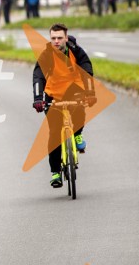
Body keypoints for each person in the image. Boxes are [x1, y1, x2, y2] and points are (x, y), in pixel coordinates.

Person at [32, 24, 96, 188]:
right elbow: (38, 75)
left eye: (60, 38)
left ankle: (77, 135)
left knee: (79, 110)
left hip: (73, 89)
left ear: (66, 38)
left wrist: (90, 93)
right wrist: (39, 98)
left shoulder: (76, 51)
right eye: (53, 38)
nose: (56, 41)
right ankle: (55, 173)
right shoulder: (47, 55)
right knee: (54, 134)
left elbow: (87, 69)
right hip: (52, 94)